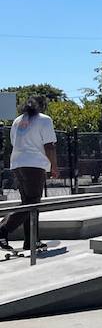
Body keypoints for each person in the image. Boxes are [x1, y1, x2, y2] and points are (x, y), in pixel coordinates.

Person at [0, 95, 59, 252]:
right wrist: (54, 166)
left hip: (17, 164)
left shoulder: (17, 121)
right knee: (33, 202)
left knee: (29, 203)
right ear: (42, 106)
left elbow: (14, 142)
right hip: (34, 165)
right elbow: (49, 146)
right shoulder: (44, 119)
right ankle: (3, 229)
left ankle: (32, 240)